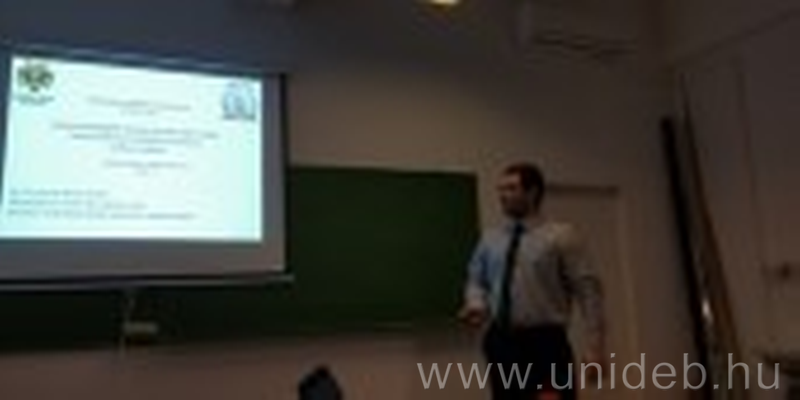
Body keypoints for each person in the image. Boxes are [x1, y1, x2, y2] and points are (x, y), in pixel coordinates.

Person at [458, 162, 606, 400]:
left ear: (532, 192)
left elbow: (589, 291)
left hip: (545, 343)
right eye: (500, 189)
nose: (502, 195)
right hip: (501, 342)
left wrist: (595, 347)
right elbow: (476, 278)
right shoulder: (490, 239)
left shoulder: (561, 236)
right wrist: (476, 303)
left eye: (511, 188)